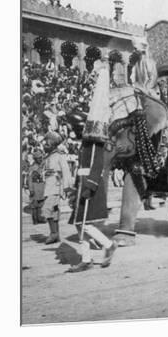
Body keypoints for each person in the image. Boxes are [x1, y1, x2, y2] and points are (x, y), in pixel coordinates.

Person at [68, 62, 117, 272]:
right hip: (83, 185)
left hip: (91, 187)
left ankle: (108, 245)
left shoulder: (94, 142)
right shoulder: (85, 143)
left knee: (86, 224)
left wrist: (89, 185)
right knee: (80, 224)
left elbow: (97, 165)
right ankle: (86, 259)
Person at [42, 131, 73, 244]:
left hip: (55, 187)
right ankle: (56, 234)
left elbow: (66, 172)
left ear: (52, 143)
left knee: (47, 209)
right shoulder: (48, 156)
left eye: (47, 143)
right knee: (54, 211)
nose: (45, 145)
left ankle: (53, 233)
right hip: (47, 187)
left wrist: (67, 188)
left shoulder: (60, 156)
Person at [27, 149, 45, 225]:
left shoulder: (43, 166)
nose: (41, 159)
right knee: (34, 205)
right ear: (35, 159)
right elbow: (30, 179)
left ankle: (39, 218)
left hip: (41, 187)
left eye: (41, 157)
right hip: (35, 187)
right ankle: (35, 220)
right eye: (39, 158)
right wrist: (31, 189)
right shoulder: (32, 167)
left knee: (40, 204)